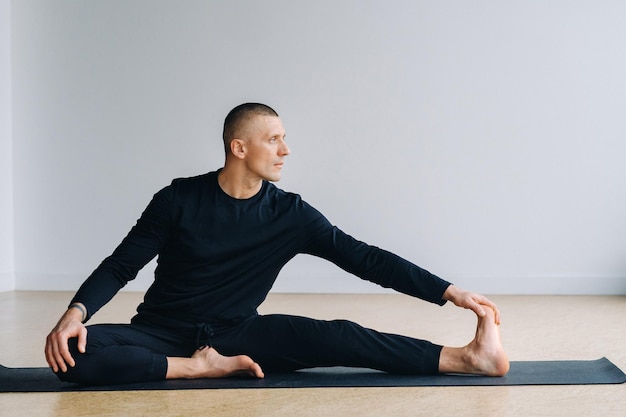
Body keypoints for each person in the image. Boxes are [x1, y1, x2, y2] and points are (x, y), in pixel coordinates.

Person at [45, 103, 509, 386]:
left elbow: (365, 259)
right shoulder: (178, 199)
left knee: (340, 336)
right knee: (71, 357)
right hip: (161, 333)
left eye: (285, 139)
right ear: (239, 147)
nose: (285, 150)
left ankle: (468, 358)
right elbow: (120, 265)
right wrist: (75, 313)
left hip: (240, 333)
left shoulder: (290, 214)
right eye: (274, 139)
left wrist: (450, 293)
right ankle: (193, 368)